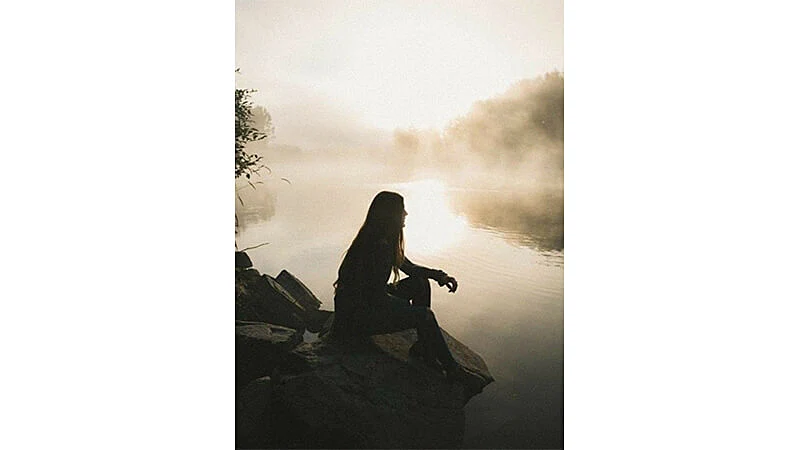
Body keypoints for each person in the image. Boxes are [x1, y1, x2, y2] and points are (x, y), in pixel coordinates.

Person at [332, 191, 471, 382]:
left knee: (420, 283)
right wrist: (411, 311)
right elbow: (374, 297)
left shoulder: (384, 240)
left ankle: (424, 349)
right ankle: (452, 369)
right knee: (425, 316)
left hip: (368, 303)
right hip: (355, 319)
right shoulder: (374, 246)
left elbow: (409, 268)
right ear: (390, 215)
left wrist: (438, 275)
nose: (406, 214)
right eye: (402, 210)